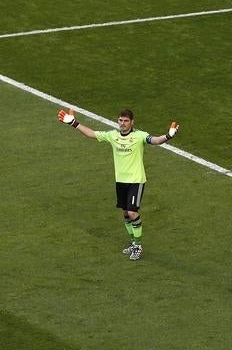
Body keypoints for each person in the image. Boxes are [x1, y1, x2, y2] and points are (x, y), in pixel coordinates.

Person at [57, 108, 179, 261]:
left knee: (132, 212)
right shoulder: (113, 135)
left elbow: (155, 140)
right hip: (120, 181)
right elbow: (92, 134)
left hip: (136, 181)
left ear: (132, 122)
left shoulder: (139, 136)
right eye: (120, 120)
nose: (122, 123)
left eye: (126, 121)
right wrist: (74, 123)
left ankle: (138, 246)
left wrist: (168, 136)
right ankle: (133, 243)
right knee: (125, 213)